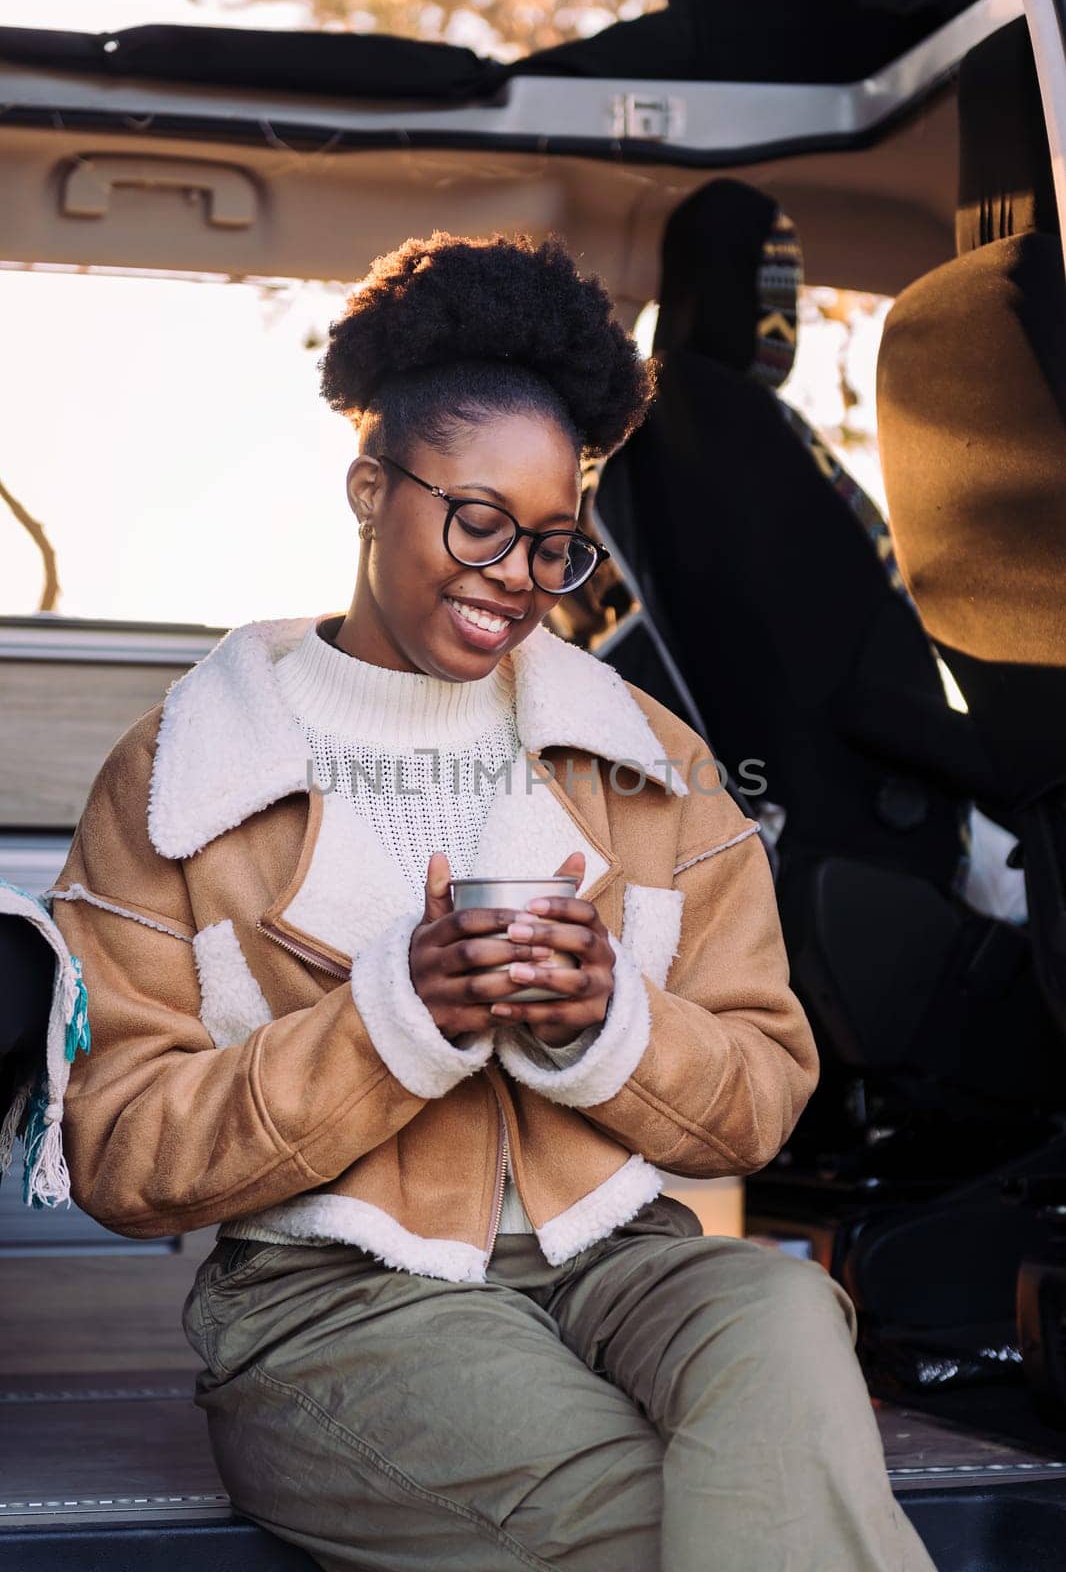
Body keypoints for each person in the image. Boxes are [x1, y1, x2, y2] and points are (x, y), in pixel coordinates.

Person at [48, 232, 937, 1572]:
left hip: (618, 1261)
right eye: (477, 522)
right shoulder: (188, 775)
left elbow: (760, 1093)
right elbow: (120, 1153)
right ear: (368, 486)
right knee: (690, 1527)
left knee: (779, 1308)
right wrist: (392, 1019)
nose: (513, 578)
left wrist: (606, 1022)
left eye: (555, 546)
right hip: (337, 1304)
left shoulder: (644, 759)